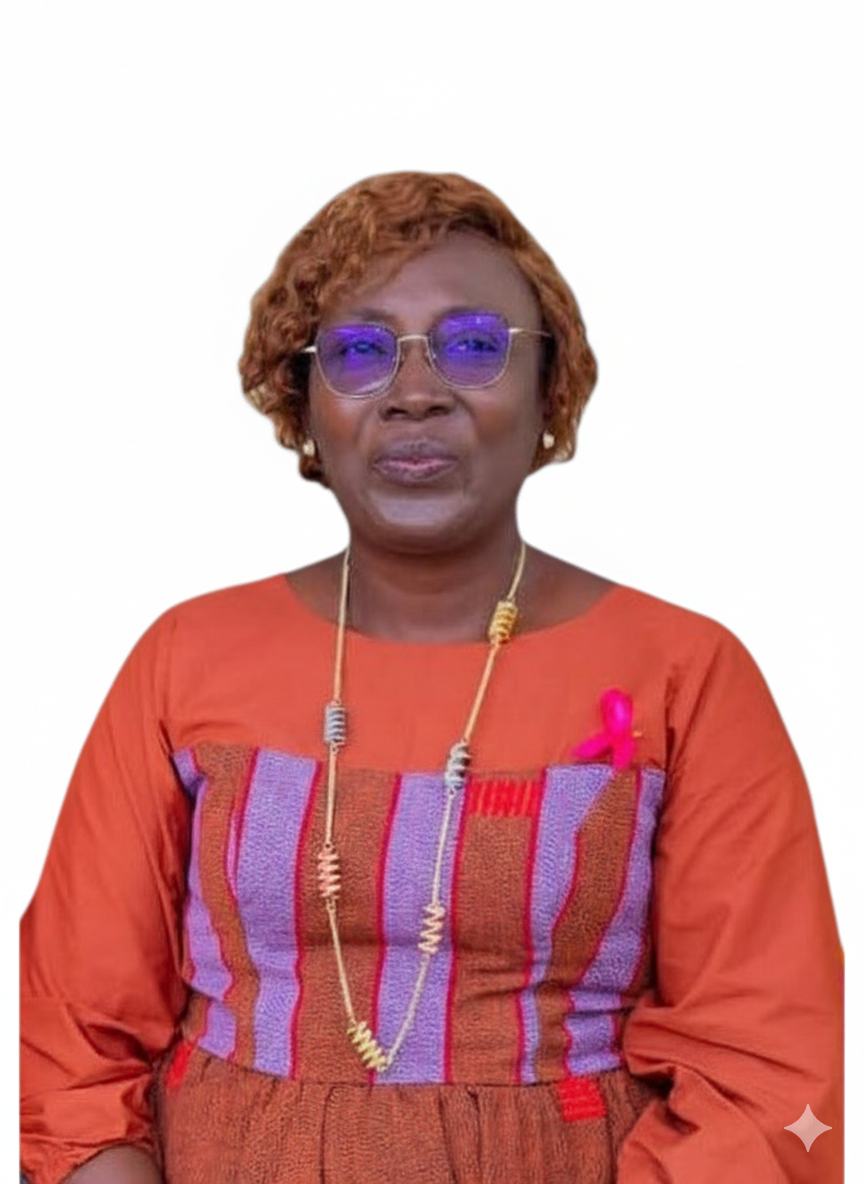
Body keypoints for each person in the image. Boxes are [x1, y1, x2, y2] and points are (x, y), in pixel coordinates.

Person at [20, 171, 842, 1184]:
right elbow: (68, 1039)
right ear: (305, 399)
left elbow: (766, 1067)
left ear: (549, 386)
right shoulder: (185, 658)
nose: (416, 391)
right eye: (361, 352)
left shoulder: (686, 674)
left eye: (473, 345)